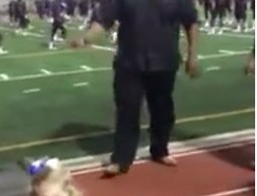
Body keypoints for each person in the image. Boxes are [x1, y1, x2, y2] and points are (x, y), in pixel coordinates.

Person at [70, 0, 200, 177]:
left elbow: (190, 21)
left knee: (163, 110)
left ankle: (160, 150)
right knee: (127, 110)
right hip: (129, 63)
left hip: (164, 62)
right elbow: (104, 19)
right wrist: (86, 38)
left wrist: (192, 55)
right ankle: (121, 159)